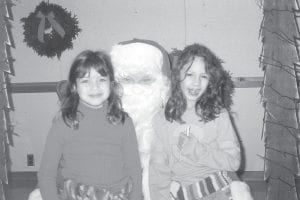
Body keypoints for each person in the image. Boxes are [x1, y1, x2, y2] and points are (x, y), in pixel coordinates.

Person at [149, 44, 253, 200]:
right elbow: (158, 168)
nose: (196, 82)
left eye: (203, 76)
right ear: (178, 76)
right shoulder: (161, 118)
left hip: (217, 184)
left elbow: (233, 162)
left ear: (210, 80)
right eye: (190, 74)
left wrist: (198, 151)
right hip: (181, 190)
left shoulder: (219, 115)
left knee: (240, 190)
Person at [38, 50, 142, 200]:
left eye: (101, 80)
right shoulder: (63, 124)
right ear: (74, 86)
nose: (95, 87)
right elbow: (47, 174)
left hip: (118, 196)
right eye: (85, 81)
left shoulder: (124, 122)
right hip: (75, 195)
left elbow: (134, 170)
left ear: (111, 84)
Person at [110, 39, 171, 200]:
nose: (136, 89)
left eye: (146, 80)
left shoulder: (169, 127)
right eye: (127, 80)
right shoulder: (99, 121)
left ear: (163, 88)